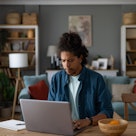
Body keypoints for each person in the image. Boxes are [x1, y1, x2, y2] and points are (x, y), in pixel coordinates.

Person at [48, 32, 113, 130]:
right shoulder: (56, 79)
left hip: (89, 129)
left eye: (70, 60)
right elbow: (50, 109)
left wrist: (88, 121)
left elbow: (107, 112)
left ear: (80, 58)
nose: (66, 65)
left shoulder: (96, 79)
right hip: (62, 129)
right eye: (63, 61)